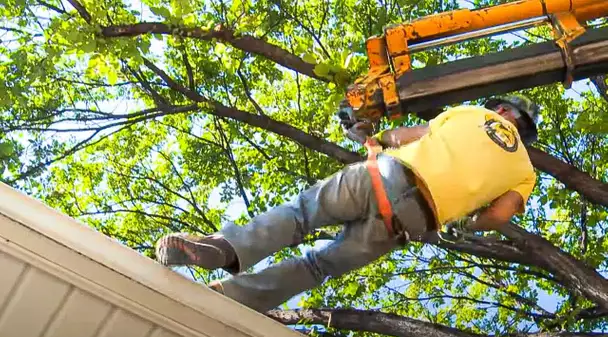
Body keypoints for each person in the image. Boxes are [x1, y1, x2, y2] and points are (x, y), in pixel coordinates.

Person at [155, 94, 539, 313]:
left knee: (301, 214)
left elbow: (408, 135)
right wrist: (467, 223)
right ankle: (234, 298)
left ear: (504, 112)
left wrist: (373, 137)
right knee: (318, 266)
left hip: (380, 178)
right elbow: (498, 215)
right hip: (408, 223)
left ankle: (220, 249)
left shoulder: (470, 114)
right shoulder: (525, 171)